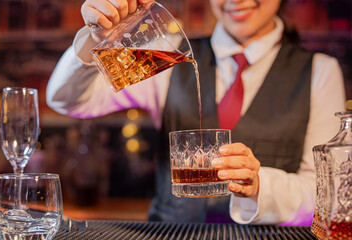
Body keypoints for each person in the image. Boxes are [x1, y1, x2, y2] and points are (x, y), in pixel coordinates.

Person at [46, 0, 346, 225]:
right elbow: (68, 102)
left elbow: (328, 193)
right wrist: (95, 38)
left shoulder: (319, 71)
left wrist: (260, 187)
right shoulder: (170, 53)